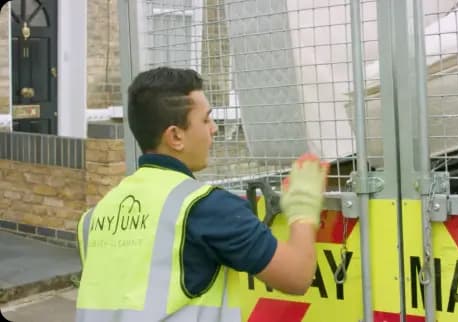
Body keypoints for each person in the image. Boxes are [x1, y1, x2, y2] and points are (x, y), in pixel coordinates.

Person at [75, 67, 329, 322]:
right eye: (206, 119)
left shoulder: (94, 217)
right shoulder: (206, 208)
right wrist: (303, 207)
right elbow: (297, 276)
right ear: (175, 136)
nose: (214, 129)